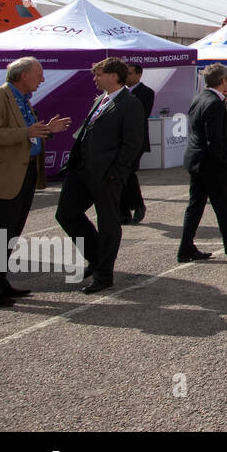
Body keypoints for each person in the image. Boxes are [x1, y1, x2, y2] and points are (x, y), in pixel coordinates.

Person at [0, 58, 71, 306]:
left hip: (24, 172)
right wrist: (28, 132)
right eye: (38, 74)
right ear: (23, 76)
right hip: (4, 175)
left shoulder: (23, 100)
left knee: (11, 232)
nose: (42, 79)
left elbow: (28, 133)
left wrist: (47, 130)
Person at [55, 58, 145, 294]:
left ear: (114, 76)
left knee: (108, 223)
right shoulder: (100, 100)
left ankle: (104, 274)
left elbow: (132, 143)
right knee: (66, 214)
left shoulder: (130, 104)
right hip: (82, 170)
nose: (95, 78)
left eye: (99, 74)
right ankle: (96, 258)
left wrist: (116, 173)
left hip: (107, 174)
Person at [179, 62, 227, 262]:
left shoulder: (199, 98)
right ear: (223, 81)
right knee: (224, 206)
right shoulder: (214, 103)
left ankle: (186, 248)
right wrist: (224, 161)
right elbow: (214, 138)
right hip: (211, 164)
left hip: (197, 161)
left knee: (195, 206)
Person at [119, 62, 154, 224]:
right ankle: (123, 212)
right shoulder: (119, 92)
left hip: (136, 139)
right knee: (120, 174)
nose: (127, 76)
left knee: (129, 171)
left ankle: (138, 204)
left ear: (139, 75)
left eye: (130, 73)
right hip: (119, 139)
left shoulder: (146, 92)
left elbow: (142, 115)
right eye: (126, 73)